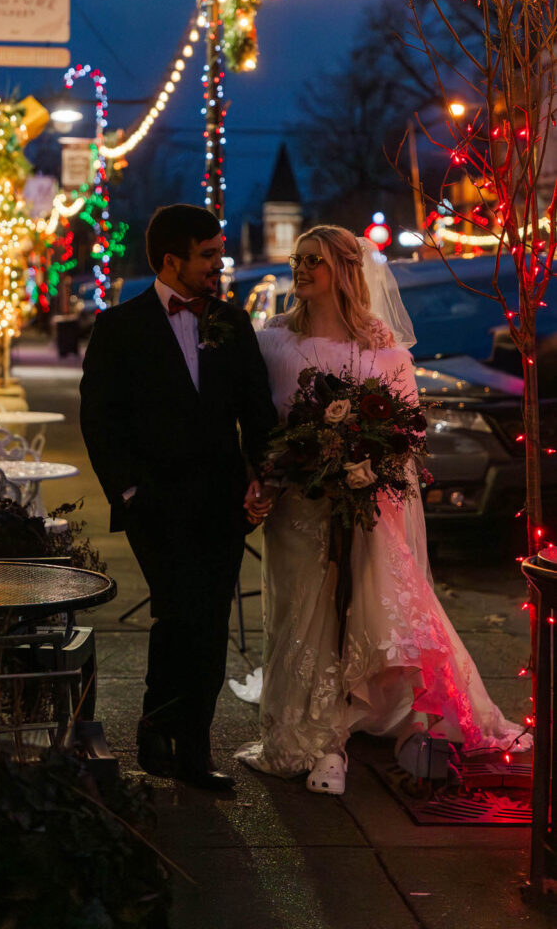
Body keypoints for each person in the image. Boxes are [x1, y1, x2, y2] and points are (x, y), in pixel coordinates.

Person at [235, 225, 528, 795]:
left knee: (363, 617)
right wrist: (264, 476)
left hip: (365, 508)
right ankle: (306, 735)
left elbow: (404, 439)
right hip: (298, 509)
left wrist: (365, 472)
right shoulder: (271, 342)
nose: (301, 270)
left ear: (345, 270)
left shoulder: (384, 351)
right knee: (301, 616)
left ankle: (345, 726)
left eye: (313, 261)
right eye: (297, 260)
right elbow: (259, 426)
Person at [80, 203, 277, 791]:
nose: (220, 265)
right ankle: (160, 726)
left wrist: (262, 476)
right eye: (209, 255)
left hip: (221, 502)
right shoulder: (119, 327)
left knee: (207, 621)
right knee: (178, 611)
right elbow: (100, 420)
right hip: (155, 504)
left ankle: (184, 743)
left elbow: (256, 410)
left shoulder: (231, 322)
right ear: (173, 260)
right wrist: (130, 490)